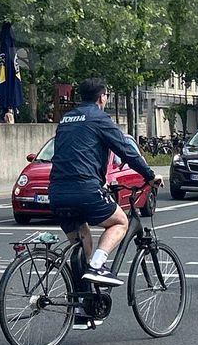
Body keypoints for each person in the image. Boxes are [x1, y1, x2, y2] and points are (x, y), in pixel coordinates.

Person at [49, 78, 160, 310]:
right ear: (102, 97)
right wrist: (149, 175)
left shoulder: (66, 119)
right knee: (120, 222)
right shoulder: (99, 118)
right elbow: (126, 150)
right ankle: (98, 266)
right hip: (84, 189)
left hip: (57, 192)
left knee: (82, 243)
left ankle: (83, 306)